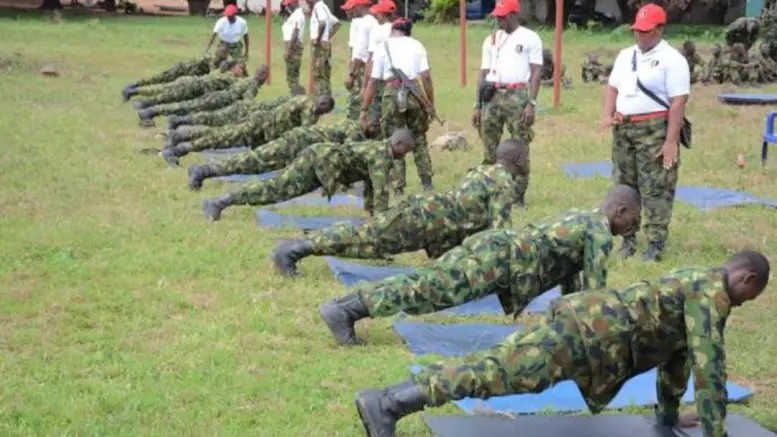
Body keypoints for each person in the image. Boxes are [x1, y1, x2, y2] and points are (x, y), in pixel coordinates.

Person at [351, 250, 770, 437]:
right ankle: (389, 403)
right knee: (499, 373)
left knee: (499, 367)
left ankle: (391, 400)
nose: (743, 303)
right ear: (746, 280)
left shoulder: (698, 281)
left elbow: (676, 360)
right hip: (584, 338)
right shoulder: (710, 295)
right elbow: (708, 366)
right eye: (750, 297)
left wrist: (667, 418)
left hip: (586, 332)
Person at [317, 184, 642, 347]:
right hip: (499, 261)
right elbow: (596, 294)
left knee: (427, 281)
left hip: (496, 247)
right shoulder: (600, 232)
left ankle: (346, 305)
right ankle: (348, 310)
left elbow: (573, 280)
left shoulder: (581, 216)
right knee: (429, 290)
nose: (630, 230)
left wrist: (566, 324)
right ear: (621, 211)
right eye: (632, 222)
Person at [271, 139, 528, 277]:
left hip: (427, 218)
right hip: (424, 221)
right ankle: (294, 249)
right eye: (526, 157)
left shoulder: (484, 171)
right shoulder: (503, 183)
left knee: (369, 239)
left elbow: (468, 218)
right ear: (517, 159)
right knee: (366, 238)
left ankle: (297, 247)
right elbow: (499, 235)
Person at [601, 3, 690, 262]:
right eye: (637, 30)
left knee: (656, 186)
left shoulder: (672, 60)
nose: (639, 35)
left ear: (660, 30)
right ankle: (627, 237)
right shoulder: (626, 55)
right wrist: (607, 114)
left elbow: (678, 102)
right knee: (625, 184)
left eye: (646, 31)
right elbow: (612, 87)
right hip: (624, 128)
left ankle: (655, 242)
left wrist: (671, 141)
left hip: (654, 128)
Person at [199, 129, 415, 221]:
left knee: (277, 191)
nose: (405, 156)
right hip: (317, 162)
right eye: (406, 150)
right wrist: (383, 220)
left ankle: (222, 202)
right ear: (398, 144)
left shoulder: (378, 150)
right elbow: (380, 190)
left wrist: (372, 213)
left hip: (320, 162)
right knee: (275, 189)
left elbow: (370, 187)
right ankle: (220, 201)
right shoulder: (381, 154)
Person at [186, 115, 382, 190]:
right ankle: (203, 171)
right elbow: (347, 154)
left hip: (299, 144)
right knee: (252, 162)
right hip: (295, 145)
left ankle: (205, 170)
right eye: (375, 127)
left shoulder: (350, 123)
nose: (375, 132)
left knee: (253, 163)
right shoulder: (354, 132)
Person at [473, 0, 543, 207]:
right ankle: (490, 190)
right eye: (497, 16)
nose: (498, 19)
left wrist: (531, 103)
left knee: (520, 145)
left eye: (502, 16)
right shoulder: (491, 40)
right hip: (492, 94)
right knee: (489, 146)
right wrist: (477, 104)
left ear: (514, 14)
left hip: (517, 94)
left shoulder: (530, 38)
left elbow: (537, 71)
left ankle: (518, 195)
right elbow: (483, 73)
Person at [361, 18, 436, 195]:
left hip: (392, 93)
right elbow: (425, 78)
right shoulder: (417, 45)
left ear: (394, 30)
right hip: (415, 94)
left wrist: (364, 108)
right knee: (419, 139)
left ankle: (398, 188)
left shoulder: (383, 47)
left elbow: (373, 81)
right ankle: (427, 183)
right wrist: (430, 105)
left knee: (394, 139)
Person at [160, 94, 334, 165]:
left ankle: (180, 137)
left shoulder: (312, 112)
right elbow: (303, 133)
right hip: (260, 124)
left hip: (265, 133)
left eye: (324, 106)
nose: (321, 105)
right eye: (322, 102)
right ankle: (178, 149)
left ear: (327, 111)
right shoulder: (308, 105)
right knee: (222, 137)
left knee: (223, 138)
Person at [136, 65, 268, 127]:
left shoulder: (247, 80)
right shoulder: (252, 85)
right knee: (186, 107)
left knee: (187, 107)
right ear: (262, 76)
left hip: (217, 97)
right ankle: (150, 112)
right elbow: (247, 103)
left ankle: (153, 112)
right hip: (217, 100)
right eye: (265, 77)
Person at [167, 87, 305, 132]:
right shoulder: (290, 104)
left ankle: (179, 121)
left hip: (247, 109)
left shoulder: (284, 100)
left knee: (214, 119)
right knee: (217, 122)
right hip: (247, 112)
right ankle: (179, 121)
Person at [121, 47, 229, 101]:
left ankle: (135, 89)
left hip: (188, 75)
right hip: (182, 70)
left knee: (165, 86)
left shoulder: (218, 59)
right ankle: (136, 85)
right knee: (159, 78)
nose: (226, 56)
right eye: (225, 54)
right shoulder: (213, 59)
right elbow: (211, 75)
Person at [131, 61, 244, 110]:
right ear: (232, 68)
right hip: (192, 85)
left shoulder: (217, 72)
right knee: (166, 95)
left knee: (164, 91)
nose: (242, 70)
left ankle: (137, 92)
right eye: (240, 68)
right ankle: (140, 99)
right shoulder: (229, 77)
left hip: (189, 80)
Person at [361, 0, 396, 119]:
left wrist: (365, 86)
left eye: (377, 14)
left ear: (382, 14)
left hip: (380, 76)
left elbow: (370, 58)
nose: (376, 16)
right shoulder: (398, 29)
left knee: (377, 110)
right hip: (397, 78)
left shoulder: (377, 31)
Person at [345, 0, 377, 121]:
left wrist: (351, 74)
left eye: (352, 8)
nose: (350, 11)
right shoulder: (371, 21)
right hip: (369, 66)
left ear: (359, 6)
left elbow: (360, 53)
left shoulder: (365, 23)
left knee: (357, 101)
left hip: (363, 66)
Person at [307, 0, 341, 96]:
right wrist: (327, 37)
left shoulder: (318, 7)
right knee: (325, 75)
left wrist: (318, 39)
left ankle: (321, 101)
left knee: (318, 76)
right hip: (325, 44)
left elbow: (322, 23)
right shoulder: (325, 8)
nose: (306, 2)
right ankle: (327, 101)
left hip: (319, 46)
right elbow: (337, 23)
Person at [282, 0, 306, 94]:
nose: (286, 7)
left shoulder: (298, 15)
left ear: (292, 4)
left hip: (294, 47)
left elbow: (295, 32)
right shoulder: (294, 15)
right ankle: (296, 96)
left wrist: (288, 49)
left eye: (287, 5)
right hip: (293, 46)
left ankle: (297, 97)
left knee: (292, 76)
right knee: (292, 75)